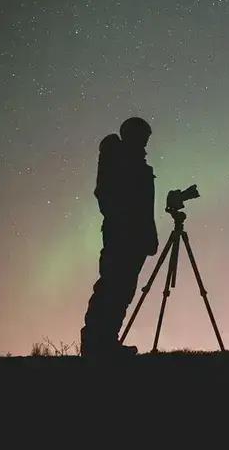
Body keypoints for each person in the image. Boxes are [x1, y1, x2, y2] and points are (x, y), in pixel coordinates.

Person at [80, 116, 159, 357]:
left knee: (123, 291)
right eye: (142, 139)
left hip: (134, 237)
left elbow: (144, 206)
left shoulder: (136, 164)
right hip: (121, 236)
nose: (145, 145)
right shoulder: (119, 160)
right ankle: (96, 344)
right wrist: (125, 222)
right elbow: (106, 195)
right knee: (112, 287)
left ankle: (107, 341)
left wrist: (148, 235)